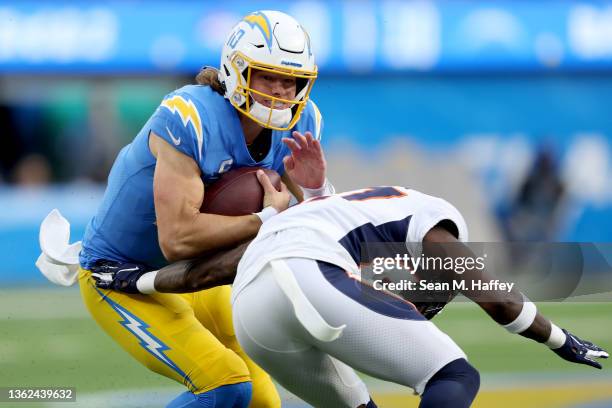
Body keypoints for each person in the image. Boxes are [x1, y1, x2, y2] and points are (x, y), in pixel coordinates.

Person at [95, 186, 608, 408]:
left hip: (253, 312)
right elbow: (493, 295)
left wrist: (136, 281)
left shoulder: (325, 216)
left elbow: (212, 271)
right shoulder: (433, 216)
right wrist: (560, 339)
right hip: (308, 277)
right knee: (455, 375)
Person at [78, 10, 333, 408]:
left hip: (197, 275)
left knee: (264, 400)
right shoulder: (190, 117)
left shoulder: (301, 124)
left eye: (290, 80)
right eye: (267, 76)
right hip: (121, 274)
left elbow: (324, 219)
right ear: (236, 71)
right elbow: (177, 237)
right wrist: (265, 219)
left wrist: (319, 190)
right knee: (225, 384)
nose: (281, 92)